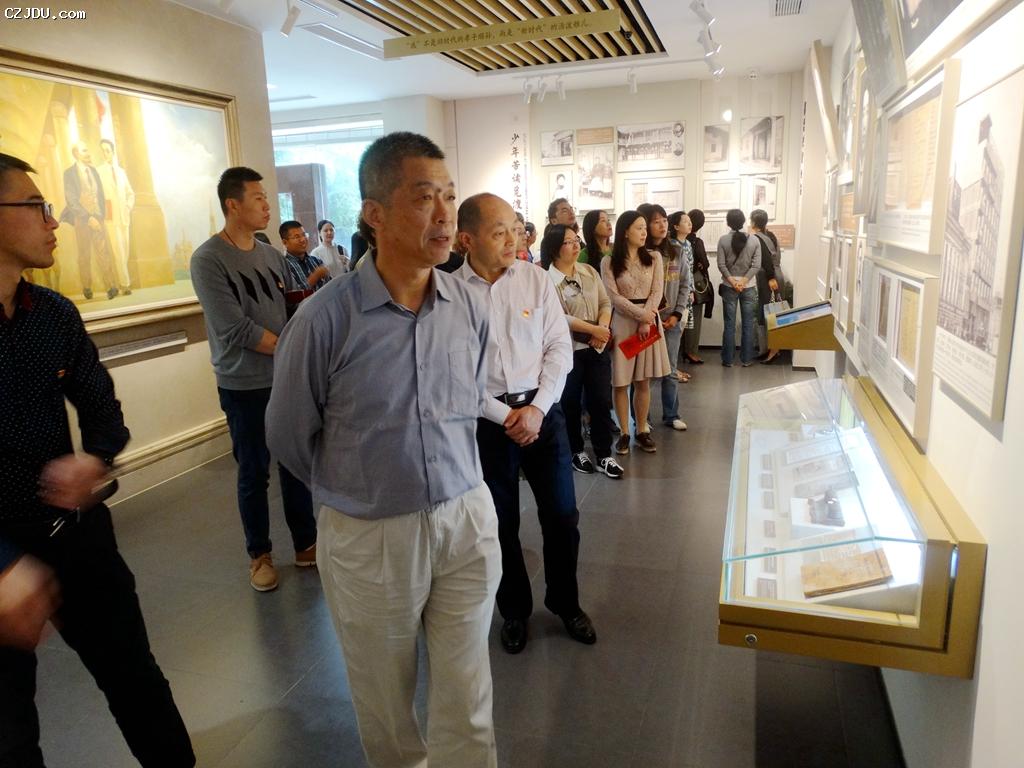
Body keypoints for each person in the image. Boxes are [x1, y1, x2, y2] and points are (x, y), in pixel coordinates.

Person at [266, 132, 501, 768]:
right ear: (374, 213)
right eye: (425, 198)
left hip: (465, 518)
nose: (446, 214)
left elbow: (470, 401)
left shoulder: (469, 307)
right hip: (371, 536)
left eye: (449, 195)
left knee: (469, 699)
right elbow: (288, 434)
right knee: (386, 707)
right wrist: (358, 487)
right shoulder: (324, 320)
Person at [0, 152, 194, 767]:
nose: (52, 220)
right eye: (36, 206)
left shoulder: (52, 313)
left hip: (74, 532)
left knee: (135, 678)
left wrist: (96, 457)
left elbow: (103, 409)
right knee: (8, 727)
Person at [455, 192, 596, 656]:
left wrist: (536, 409)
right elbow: (454, 373)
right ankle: (514, 610)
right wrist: (506, 416)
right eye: (499, 233)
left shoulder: (534, 279)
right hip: (488, 423)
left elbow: (558, 347)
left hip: (543, 414)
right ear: (466, 240)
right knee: (499, 523)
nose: (512, 240)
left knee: (562, 515)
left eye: (515, 230)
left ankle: (565, 602)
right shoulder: (450, 294)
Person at [190, 167, 317, 592]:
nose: (267, 205)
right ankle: (259, 554)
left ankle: (306, 543)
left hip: (283, 379)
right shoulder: (208, 260)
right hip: (243, 383)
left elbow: (292, 307)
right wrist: (291, 349)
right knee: (254, 471)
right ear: (233, 204)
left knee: (295, 463)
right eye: (258, 198)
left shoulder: (270, 255)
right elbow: (235, 329)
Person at [540, 224, 622, 479]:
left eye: (576, 239)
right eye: (568, 242)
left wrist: (602, 328)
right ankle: (576, 451)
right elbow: (558, 316)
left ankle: (604, 453)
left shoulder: (588, 271)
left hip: (597, 347)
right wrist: (594, 330)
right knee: (570, 403)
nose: (576, 245)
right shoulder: (547, 280)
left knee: (600, 401)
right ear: (555, 248)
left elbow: (605, 302)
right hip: (569, 350)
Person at [601, 210, 671, 455]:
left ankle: (642, 430)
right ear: (625, 231)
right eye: (639, 228)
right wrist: (641, 316)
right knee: (620, 381)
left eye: (644, 228)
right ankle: (624, 432)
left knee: (643, 380)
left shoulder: (654, 257)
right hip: (623, 323)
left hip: (648, 323)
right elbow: (614, 297)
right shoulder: (609, 261)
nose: (644, 232)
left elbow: (657, 291)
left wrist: (646, 318)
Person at [639, 204, 689, 432]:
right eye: (656, 221)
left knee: (670, 368)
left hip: (671, 319)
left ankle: (672, 414)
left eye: (665, 220)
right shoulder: (640, 253)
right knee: (643, 372)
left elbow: (685, 284)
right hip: (647, 319)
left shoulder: (677, 251)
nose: (662, 225)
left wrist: (677, 314)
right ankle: (643, 418)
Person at [59, 142, 117, 301]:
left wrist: (100, 215)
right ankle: (87, 286)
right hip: (81, 219)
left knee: (103, 252)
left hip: (98, 216)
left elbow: (100, 194)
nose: (88, 153)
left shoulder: (93, 171)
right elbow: (71, 199)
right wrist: (87, 217)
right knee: (84, 254)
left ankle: (111, 286)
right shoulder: (69, 173)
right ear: (76, 154)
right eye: (84, 150)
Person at [717, 208, 761, 367]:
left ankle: (727, 360)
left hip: (729, 286)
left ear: (728, 222)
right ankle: (747, 359)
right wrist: (743, 281)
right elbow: (756, 266)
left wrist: (733, 282)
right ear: (743, 221)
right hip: (748, 286)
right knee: (748, 323)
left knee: (729, 324)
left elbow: (721, 265)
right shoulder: (754, 240)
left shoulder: (723, 240)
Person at [95, 139, 135, 296]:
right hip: (111, 216)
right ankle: (126, 285)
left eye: (107, 150)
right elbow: (97, 195)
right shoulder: (99, 171)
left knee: (125, 251)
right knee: (119, 252)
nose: (105, 153)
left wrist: (128, 206)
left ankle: (122, 281)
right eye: (103, 151)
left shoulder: (121, 172)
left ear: (112, 151)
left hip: (124, 216)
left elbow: (130, 193)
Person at [750, 208, 785, 364]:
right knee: (771, 311)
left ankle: (773, 350)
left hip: (769, 277)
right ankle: (769, 349)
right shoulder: (770, 235)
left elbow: (766, 259)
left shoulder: (758, 238)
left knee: (770, 313)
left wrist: (770, 277)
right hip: (776, 275)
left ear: (753, 222)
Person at [680, 208, 714, 366]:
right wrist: (701, 264)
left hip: (678, 284)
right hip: (693, 285)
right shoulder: (696, 241)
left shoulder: (677, 241)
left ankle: (680, 351)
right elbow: (704, 263)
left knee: (680, 317)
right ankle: (691, 351)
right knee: (694, 318)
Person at [280, 220, 331, 291]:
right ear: (285, 242)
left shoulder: (316, 261)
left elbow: (330, 287)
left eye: (304, 235)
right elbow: (293, 294)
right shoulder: (284, 266)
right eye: (297, 237)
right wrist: (315, 276)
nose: (303, 240)